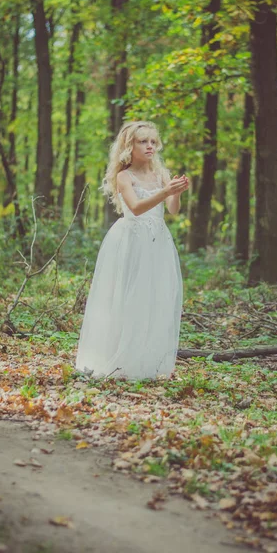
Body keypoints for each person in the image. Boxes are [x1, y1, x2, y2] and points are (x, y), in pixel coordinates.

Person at [75, 120, 189, 379]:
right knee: (126, 298)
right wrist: (165, 192)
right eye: (142, 141)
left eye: (152, 141)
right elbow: (136, 208)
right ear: (129, 147)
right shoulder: (123, 176)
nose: (150, 146)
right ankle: (118, 361)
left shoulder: (161, 174)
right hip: (131, 241)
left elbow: (172, 210)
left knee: (154, 298)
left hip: (157, 242)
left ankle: (147, 362)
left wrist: (177, 192)